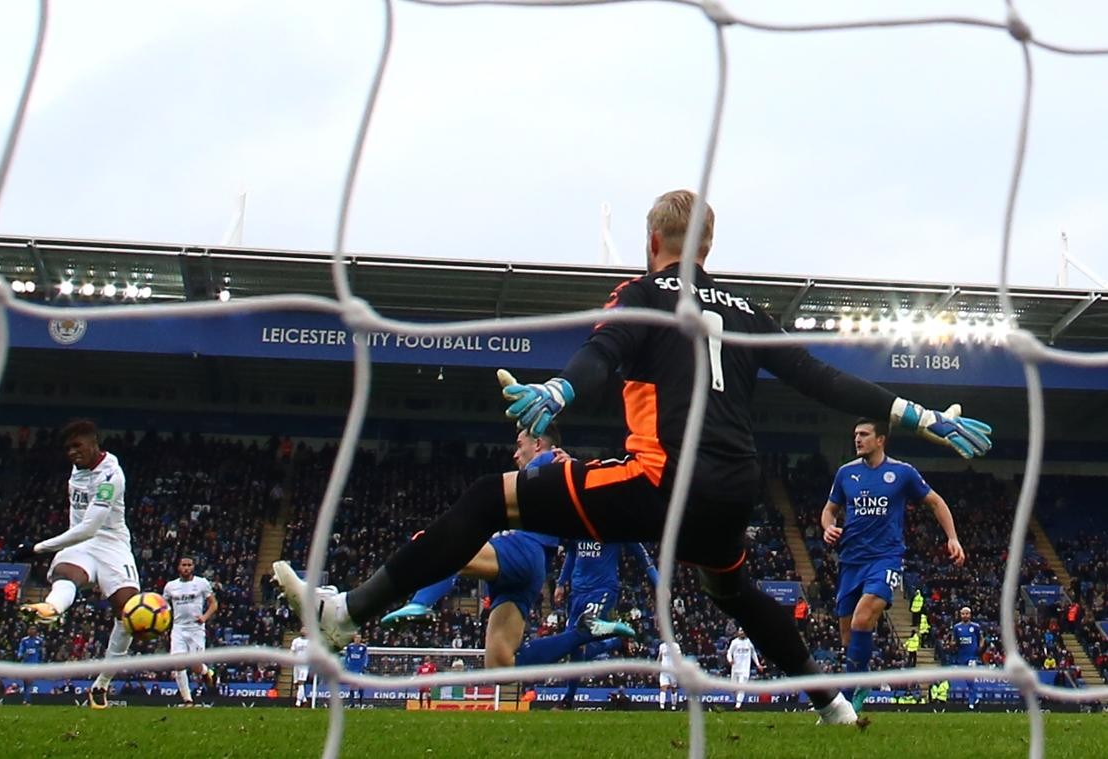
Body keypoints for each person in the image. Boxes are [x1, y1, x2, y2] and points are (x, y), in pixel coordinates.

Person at [272, 189, 993, 727]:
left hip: (660, 476)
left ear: (653, 239)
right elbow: (820, 377)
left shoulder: (644, 293)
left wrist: (557, 390)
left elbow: (600, 354)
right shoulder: (747, 312)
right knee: (733, 591)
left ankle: (346, 611)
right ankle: (832, 700)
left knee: (493, 498)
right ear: (706, 246)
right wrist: (916, 412)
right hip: (734, 485)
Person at [379, 426, 632, 669]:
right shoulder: (552, 474)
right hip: (530, 570)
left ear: (539, 445)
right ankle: (581, 633)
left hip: (521, 548)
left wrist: (569, 460)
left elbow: (580, 473)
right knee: (500, 664)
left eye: (520, 445)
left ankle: (421, 603)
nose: (514, 453)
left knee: (445, 548)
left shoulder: (546, 460)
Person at [821, 417, 967, 715]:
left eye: (864, 434)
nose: (857, 439)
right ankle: (861, 681)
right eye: (855, 434)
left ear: (880, 440)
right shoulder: (846, 474)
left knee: (863, 619)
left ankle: (847, 696)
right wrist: (827, 526)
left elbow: (936, 502)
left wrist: (953, 538)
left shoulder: (902, 473)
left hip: (885, 559)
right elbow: (829, 510)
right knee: (848, 638)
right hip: (850, 561)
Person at [13, 419, 141, 710]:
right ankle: (52, 609)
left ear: (95, 444)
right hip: (80, 545)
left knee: (129, 614)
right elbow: (81, 533)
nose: (72, 452)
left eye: (77, 446)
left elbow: (90, 527)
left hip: (111, 545)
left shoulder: (111, 476)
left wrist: (37, 548)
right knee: (66, 574)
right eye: (68, 448)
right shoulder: (78, 468)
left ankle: (101, 685)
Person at [548, 539, 660, 708]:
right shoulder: (579, 523)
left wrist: (658, 583)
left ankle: (567, 700)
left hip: (602, 590)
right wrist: (561, 583)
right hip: (577, 593)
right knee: (574, 648)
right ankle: (615, 642)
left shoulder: (610, 524)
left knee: (581, 635)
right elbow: (572, 553)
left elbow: (641, 553)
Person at [163, 556, 217, 707]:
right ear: (179, 567)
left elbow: (213, 603)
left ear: (193, 567)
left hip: (196, 629)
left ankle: (206, 672)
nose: (186, 568)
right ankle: (188, 700)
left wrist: (205, 617)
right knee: (178, 664)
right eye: (183, 565)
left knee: (195, 665)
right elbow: (163, 607)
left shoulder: (201, 583)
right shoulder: (170, 586)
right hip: (178, 628)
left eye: (189, 565)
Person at [951, 605, 983, 709]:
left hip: (972, 656)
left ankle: (971, 703)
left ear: (970, 615)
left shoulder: (975, 627)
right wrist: (952, 644)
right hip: (961, 656)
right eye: (963, 613)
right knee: (968, 680)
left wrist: (979, 648)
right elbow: (953, 640)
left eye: (967, 613)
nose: (965, 615)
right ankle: (976, 698)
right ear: (960, 615)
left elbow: (981, 639)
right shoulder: (957, 627)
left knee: (970, 678)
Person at [726, 627, 764, 710]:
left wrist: (758, 664)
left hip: (745, 669)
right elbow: (729, 652)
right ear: (738, 632)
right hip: (735, 668)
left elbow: (753, 653)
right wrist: (730, 660)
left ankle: (738, 705)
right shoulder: (734, 642)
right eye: (741, 631)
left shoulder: (749, 642)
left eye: (744, 631)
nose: (742, 633)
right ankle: (737, 702)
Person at [16, 624, 44, 705]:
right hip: (25, 664)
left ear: (36, 631)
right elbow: (21, 650)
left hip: (34, 665)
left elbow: (42, 652)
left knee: (29, 682)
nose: (31, 631)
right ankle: (26, 699)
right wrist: (20, 655)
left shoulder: (39, 641)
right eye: (30, 629)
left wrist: (40, 661)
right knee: (25, 683)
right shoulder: (24, 640)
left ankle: (27, 700)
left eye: (33, 629)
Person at [343, 633, 369, 708]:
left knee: (361, 685)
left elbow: (365, 657)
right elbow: (347, 657)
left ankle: (361, 702)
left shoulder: (363, 647)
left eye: (359, 638)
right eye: (356, 638)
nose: (358, 639)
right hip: (351, 669)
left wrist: (364, 666)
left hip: (360, 669)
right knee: (352, 686)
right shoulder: (350, 647)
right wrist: (346, 666)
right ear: (354, 639)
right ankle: (352, 703)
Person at [657, 637, 681, 711]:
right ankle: (662, 706)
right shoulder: (662, 646)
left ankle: (673, 706)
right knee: (663, 687)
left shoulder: (676, 646)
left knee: (673, 688)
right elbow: (660, 657)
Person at [290, 631, 311, 707]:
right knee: (296, 684)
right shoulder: (296, 641)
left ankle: (298, 702)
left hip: (304, 664)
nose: (304, 631)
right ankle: (304, 700)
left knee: (301, 682)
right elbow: (292, 651)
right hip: (296, 664)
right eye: (302, 629)